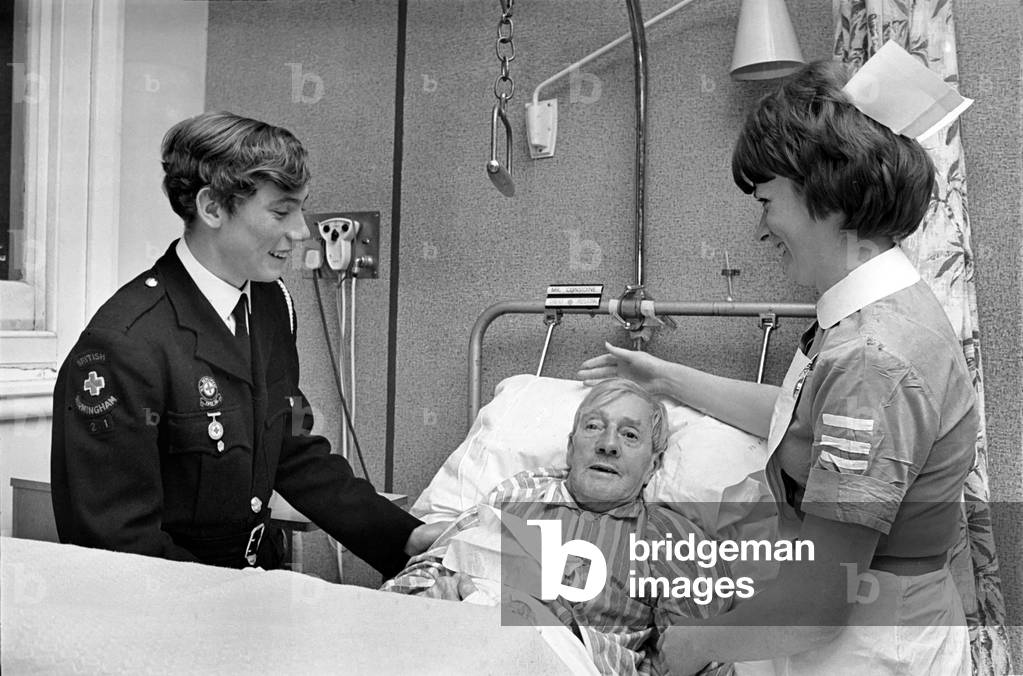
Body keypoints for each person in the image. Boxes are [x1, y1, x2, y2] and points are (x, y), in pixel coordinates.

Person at [578, 60, 976, 675]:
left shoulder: (872, 357)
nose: (763, 228)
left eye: (766, 200)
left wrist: (688, 646)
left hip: (868, 642)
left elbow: (818, 603)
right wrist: (663, 378)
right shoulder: (872, 312)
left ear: (826, 192)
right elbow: (802, 420)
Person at [51, 111, 441, 577]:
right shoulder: (124, 346)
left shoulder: (271, 303)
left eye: (300, 208)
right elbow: (115, 545)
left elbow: (290, 446)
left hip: (255, 584)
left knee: (528, 601)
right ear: (212, 207)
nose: (300, 230)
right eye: (281, 211)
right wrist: (238, 600)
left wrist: (405, 535)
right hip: (178, 610)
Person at [382, 378, 733, 676]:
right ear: (570, 447)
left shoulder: (671, 538)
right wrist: (429, 596)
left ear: (653, 465)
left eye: (629, 435)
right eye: (594, 426)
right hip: (450, 632)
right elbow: (432, 566)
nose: (608, 444)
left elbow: (701, 660)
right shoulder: (519, 492)